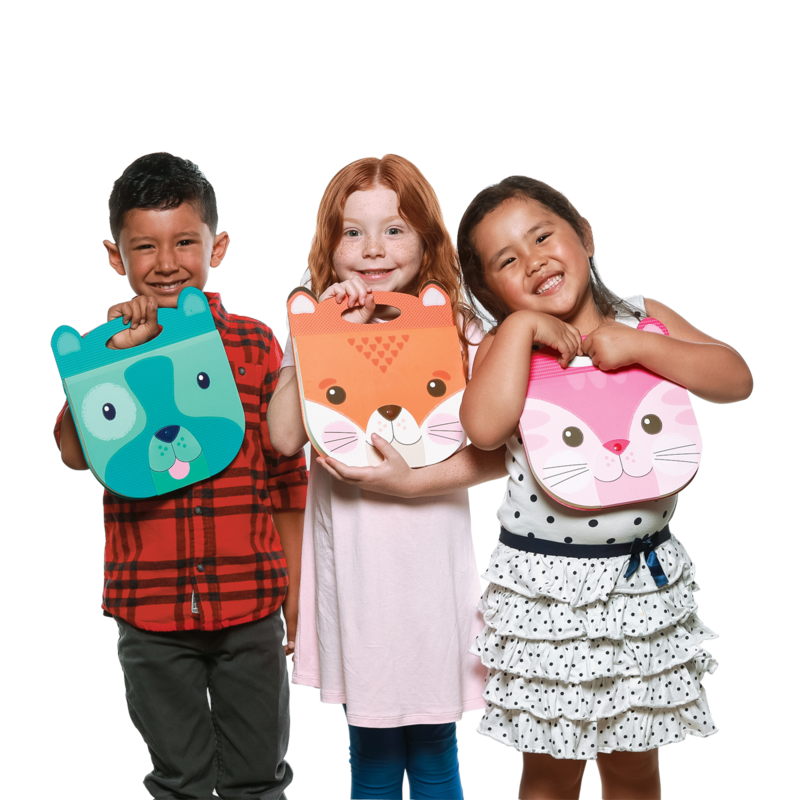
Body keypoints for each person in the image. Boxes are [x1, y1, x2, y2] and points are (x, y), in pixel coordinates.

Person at [457, 175, 753, 800]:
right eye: (506, 260)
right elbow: (483, 428)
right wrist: (520, 330)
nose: (533, 260)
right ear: (487, 291)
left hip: (642, 583)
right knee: (550, 771)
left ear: (585, 236)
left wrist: (641, 346)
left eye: (543, 237)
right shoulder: (504, 346)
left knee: (634, 762)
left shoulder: (645, 318)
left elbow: (736, 379)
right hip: (546, 596)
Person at [53, 152, 307, 800]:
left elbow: (287, 479)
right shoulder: (101, 350)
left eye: (185, 242)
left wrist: (297, 600)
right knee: (178, 781)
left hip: (250, 602)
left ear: (217, 247)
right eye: (145, 246)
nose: (166, 262)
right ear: (116, 257)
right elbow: (75, 453)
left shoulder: (254, 345)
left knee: (259, 777)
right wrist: (110, 360)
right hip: (149, 609)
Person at [267, 154, 507, 799]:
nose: (373, 249)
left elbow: (499, 452)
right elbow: (284, 438)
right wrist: (319, 337)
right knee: (370, 751)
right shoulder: (315, 321)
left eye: (394, 229)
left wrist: (409, 484)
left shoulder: (457, 326)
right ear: (329, 245)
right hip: (354, 569)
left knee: (434, 744)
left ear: (427, 239)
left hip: (429, 568)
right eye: (353, 231)